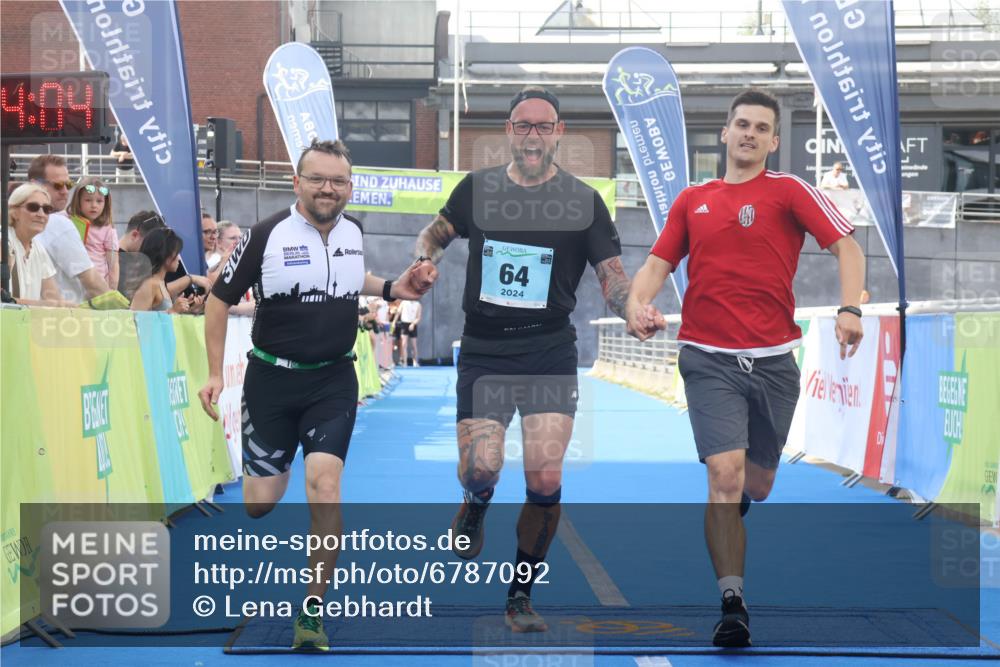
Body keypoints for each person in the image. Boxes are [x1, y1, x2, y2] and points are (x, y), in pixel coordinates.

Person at [625, 89, 865, 648]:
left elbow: (848, 247)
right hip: (707, 358)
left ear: (774, 141)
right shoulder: (692, 199)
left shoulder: (790, 192)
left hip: (775, 362)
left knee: (757, 483)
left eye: (762, 127)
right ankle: (733, 602)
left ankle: (737, 507)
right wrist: (638, 303)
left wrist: (850, 307)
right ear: (725, 134)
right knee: (724, 477)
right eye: (742, 124)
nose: (750, 133)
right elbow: (658, 264)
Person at [196, 139, 435, 651]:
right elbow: (218, 301)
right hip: (271, 381)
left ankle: (312, 608)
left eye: (339, 181)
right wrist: (214, 374)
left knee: (324, 484)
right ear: (297, 182)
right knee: (261, 503)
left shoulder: (352, 230)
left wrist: (395, 287)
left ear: (350, 186)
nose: (329, 188)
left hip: (332, 379)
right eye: (318, 179)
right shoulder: (264, 235)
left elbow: (350, 280)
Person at [413, 86, 631, 633]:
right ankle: (477, 500)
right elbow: (433, 234)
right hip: (486, 350)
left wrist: (632, 309)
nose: (532, 135)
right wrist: (422, 261)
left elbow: (612, 276)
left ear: (559, 133)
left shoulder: (583, 201)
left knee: (545, 475)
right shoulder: (478, 190)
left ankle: (520, 596)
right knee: (482, 467)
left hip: (549, 350)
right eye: (522, 125)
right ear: (509, 132)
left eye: (543, 126)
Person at [28, 155, 112, 304]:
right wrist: (122, 313)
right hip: (65, 319)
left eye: (69, 184)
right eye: (58, 185)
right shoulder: (59, 224)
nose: (65, 191)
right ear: (35, 185)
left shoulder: (15, 224)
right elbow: (94, 284)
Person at [6, 183, 65, 306]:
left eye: (47, 209)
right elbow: (4, 300)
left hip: (22, 322)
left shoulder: (38, 248)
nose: (41, 214)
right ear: (14, 212)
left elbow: (54, 299)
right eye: (33, 207)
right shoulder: (4, 243)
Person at [68, 177, 119, 289]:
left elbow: (113, 264)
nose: (94, 205)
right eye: (88, 200)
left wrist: (113, 290)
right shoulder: (68, 222)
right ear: (78, 201)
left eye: (99, 201)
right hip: (73, 283)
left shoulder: (108, 229)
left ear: (106, 203)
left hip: (98, 285)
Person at [130, 228, 193, 314]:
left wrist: (190, 309)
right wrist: (172, 311)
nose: (178, 259)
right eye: (176, 253)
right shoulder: (150, 284)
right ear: (164, 254)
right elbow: (135, 319)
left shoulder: (160, 282)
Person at [397, 298, 422, 366]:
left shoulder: (418, 304)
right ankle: (404, 362)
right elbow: (398, 313)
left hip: (412, 324)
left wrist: (413, 324)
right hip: (404, 324)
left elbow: (418, 317)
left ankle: (415, 361)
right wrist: (393, 322)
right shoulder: (404, 302)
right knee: (404, 344)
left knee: (414, 345)